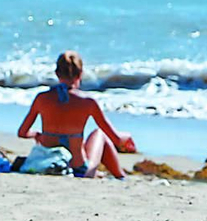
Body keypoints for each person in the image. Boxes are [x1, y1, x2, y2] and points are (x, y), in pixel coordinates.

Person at [16, 51, 136, 179]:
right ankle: (120, 176)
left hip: (50, 164)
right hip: (78, 169)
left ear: (57, 73)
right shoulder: (88, 102)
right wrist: (126, 136)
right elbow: (116, 139)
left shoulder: (42, 98)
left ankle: (118, 176)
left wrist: (37, 134)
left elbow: (22, 132)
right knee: (99, 134)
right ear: (81, 74)